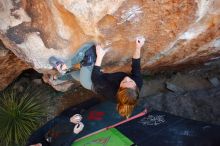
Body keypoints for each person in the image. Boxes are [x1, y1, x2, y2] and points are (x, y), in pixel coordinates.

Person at [49, 36, 145, 118]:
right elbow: (136, 64)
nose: (127, 78)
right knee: (73, 75)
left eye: (124, 82)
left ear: (119, 89)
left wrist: (100, 56)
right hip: (101, 78)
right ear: (136, 87)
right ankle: (56, 78)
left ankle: (63, 66)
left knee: (89, 51)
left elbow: (96, 78)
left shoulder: (112, 93)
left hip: (91, 82)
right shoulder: (137, 83)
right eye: (131, 81)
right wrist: (138, 47)